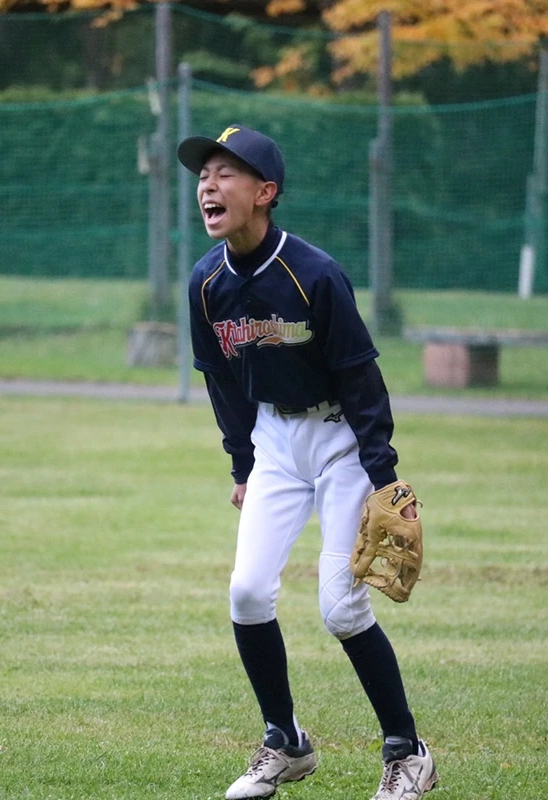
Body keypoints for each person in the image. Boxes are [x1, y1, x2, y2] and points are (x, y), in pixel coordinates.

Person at [176, 124, 437, 800]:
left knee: (340, 607)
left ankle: (408, 753)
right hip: (274, 445)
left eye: (226, 172)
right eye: (204, 174)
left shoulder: (314, 274)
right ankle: (285, 742)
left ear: (266, 193)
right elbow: (221, 381)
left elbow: (359, 375)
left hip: (342, 440)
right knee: (247, 592)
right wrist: (242, 466)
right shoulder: (207, 285)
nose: (209, 183)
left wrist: (383, 475)